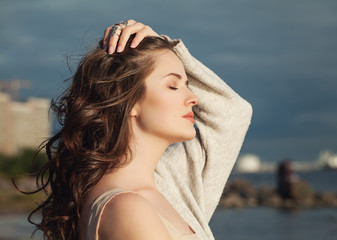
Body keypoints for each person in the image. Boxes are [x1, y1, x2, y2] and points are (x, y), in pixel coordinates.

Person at [28, 19, 252, 240]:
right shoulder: (127, 208)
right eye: (173, 86)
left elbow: (233, 113)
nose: (194, 98)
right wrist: (162, 51)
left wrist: (165, 47)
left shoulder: (168, 183)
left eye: (188, 84)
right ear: (129, 100)